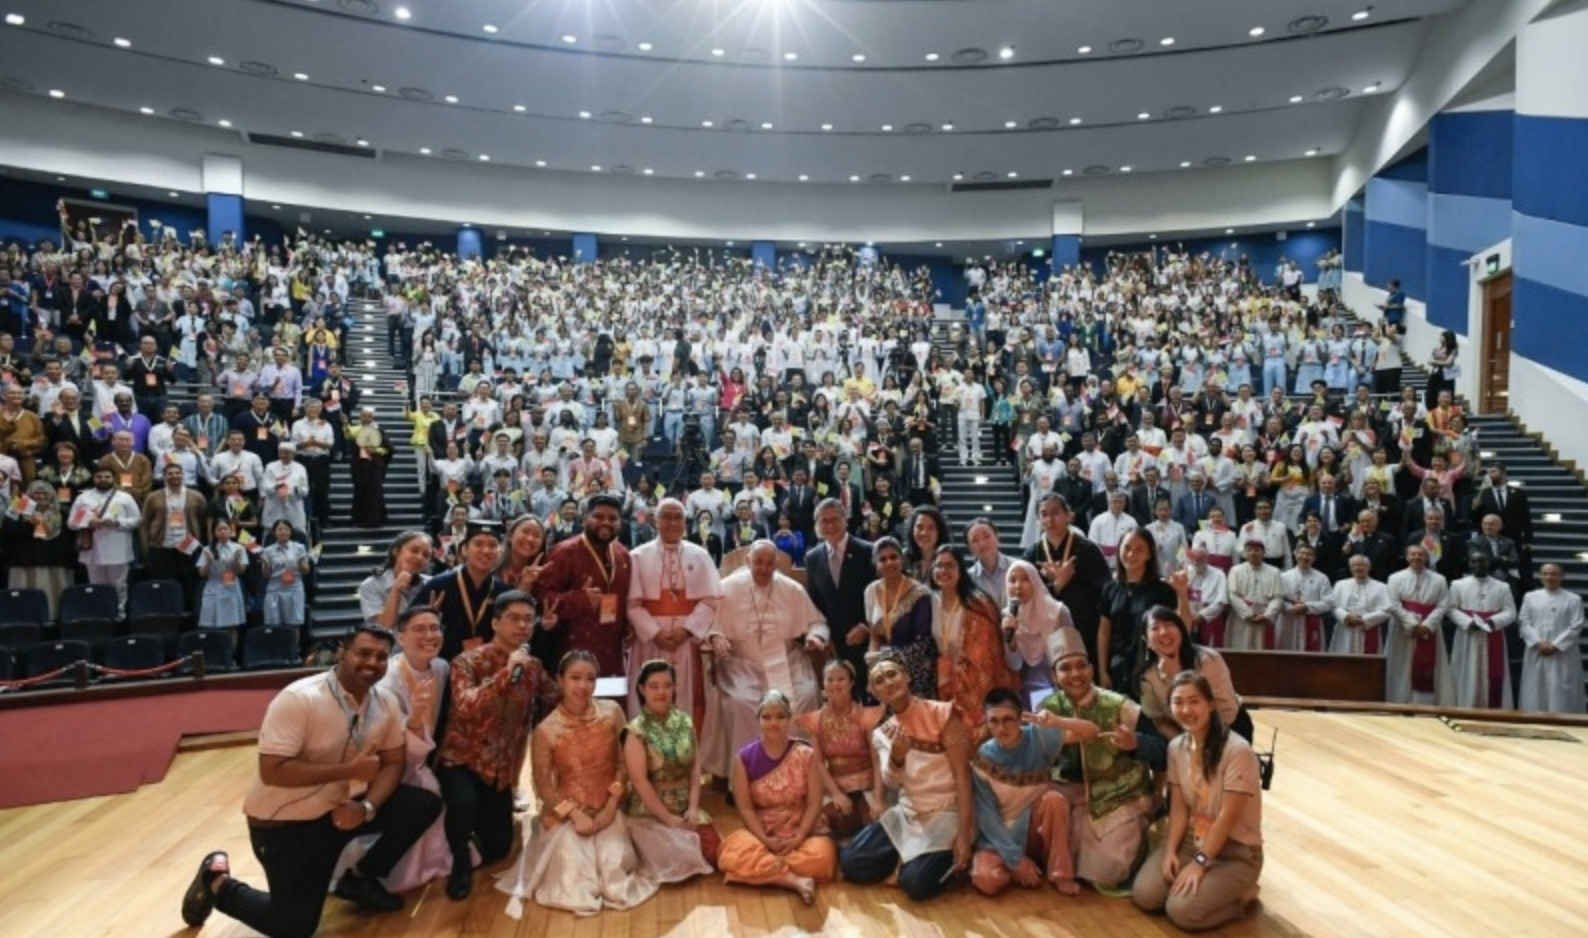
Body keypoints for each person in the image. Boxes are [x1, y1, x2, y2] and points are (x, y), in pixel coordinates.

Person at [179, 625, 443, 936]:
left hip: (342, 811)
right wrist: (348, 771)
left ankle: (361, 878)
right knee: (294, 926)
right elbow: (273, 770)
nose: (372, 662)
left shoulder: (384, 701)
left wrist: (367, 808)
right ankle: (217, 882)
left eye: (381, 657)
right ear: (342, 652)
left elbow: (394, 763)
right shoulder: (299, 698)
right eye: (363, 653)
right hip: (287, 824)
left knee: (423, 804)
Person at [498, 649, 659, 916]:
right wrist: (574, 815)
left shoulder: (612, 713)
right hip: (569, 813)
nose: (583, 686)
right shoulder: (546, 730)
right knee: (573, 878)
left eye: (590, 679)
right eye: (575, 678)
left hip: (608, 805)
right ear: (560, 680)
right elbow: (543, 786)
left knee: (613, 872)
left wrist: (610, 807)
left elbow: (624, 764)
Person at [1131, 672, 1264, 932]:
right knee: (1145, 895)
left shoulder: (1238, 751)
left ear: (1211, 705)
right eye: (1178, 702)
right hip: (1195, 839)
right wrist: (1170, 850)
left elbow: (1228, 817)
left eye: (1194, 701)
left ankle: (1241, 897)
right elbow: (1179, 808)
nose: (1186, 709)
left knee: (1182, 912)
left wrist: (1200, 864)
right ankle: (1207, 886)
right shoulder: (1176, 747)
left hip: (1235, 851)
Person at [1038, 626, 1166, 893]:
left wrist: (1136, 744)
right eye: (1066, 668)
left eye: (1081, 666)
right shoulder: (1046, 709)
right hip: (1071, 796)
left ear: (1092, 669)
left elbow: (1163, 751)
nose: (1075, 674)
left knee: (1106, 869)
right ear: (1054, 675)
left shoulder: (1119, 706)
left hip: (1120, 796)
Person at [435, 591, 546, 900]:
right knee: (464, 803)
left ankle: (468, 836)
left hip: (499, 769)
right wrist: (506, 673)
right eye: (514, 618)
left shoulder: (533, 667)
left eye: (529, 619)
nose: (523, 625)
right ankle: (458, 861)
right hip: (461, 759)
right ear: (496, 622)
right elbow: (467, 705)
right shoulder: (467, 661)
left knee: (499, 848)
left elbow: (554, 698)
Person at [838, 652, 975, 902]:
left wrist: (964, 836)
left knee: (916, 885)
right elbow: (892, 782)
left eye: (892, 674)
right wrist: (897, 757)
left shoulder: (942, 713)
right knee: (851, 862)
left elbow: (963, 776)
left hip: (947, 813)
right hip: (909, 813)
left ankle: (918, 863)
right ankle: (906, 859)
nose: (888, 682)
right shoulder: (883, 733)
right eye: (879, 681)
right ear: (874, 692)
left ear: (907, 677)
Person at [706, 540, 829, 776]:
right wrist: (715, 637)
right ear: (747, 561)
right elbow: (710, 623)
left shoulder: (792, 589)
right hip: (742, 664)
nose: (763, 569)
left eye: (769, 563)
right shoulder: (726, 588)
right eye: (758, 563)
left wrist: (815, 636)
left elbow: (817, 622)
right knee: (742, 702)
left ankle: (799, 772)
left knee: (804, 696)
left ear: (776, 564)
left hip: (789, 661)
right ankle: (747, 775)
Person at [968, 686, 1092, 897]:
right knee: (985, 879)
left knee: (1054, 799)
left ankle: (1059, 872)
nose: (1001, 728)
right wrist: (1015, 860)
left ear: (1020, 718)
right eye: (994, 721)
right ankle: (1025, 866)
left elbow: (1091, 731)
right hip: (1002, 834)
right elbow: (987, 815)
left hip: (1034, 826)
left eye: (1008, 719)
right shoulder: (984, 756)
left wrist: (1058, 722)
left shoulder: (1039, 738)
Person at [717, 689, 836, 905]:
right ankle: (793, 881)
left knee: (823, 857)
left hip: (802, 829)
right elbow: (745, 809)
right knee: (731, 852)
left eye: (781, 716)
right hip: (764, 831)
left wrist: (799, 837)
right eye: (767, 716)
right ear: (758, 720)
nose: (774, 722)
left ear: (790, 719)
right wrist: (765, 839)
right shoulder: (743, 758)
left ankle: (761, 870)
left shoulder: (806, 754)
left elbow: (814, 803)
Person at [364, 606, 453, 894]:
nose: (430, 635)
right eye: (419, 629)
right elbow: (384, 742)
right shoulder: (387, 679)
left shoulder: (440, 667)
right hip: (385, 765)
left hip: (420, 759)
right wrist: (414, 720)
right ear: (400, 638)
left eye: (435, 628)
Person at [626, 498, 722, 723]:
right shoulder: (637, 556)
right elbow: (632, 604)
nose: (672, 522)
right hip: (650, 641)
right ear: (655, 521)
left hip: (686, 642)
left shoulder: (700, 555)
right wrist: (654, 633)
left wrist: (687, 630)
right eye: (666, 517)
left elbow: (710, 600)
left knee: (686, 700)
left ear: (685, 521)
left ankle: (683, 752)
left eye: (678, 517)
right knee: (647, 699)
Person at [623, 660, 719, 883]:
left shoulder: (684, 720)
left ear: (675, 687)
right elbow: (639, 782)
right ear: (641, 689)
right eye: (654, 686)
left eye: (667, 685)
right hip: (650, 815)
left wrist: (693, 808)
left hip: (686, 808)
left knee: (717, 853)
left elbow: (695, 768)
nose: (661, 692)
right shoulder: (635, 730)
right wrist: (669, 820)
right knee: (681, 861)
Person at [533, 493, 633, 678]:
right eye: (599, 516)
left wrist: (629, 624)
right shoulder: (564, 552)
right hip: (572, 652)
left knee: (611, 706)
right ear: (585, 518)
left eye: (613, 518)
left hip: (612, 654)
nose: (606, 523)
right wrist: (579, 599)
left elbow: (627, 598)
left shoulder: (623, 555)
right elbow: (541, 599)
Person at [930, 545, 1018, 730]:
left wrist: (959, 676)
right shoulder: (928, 602)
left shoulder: (977, 604)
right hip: (937, 684)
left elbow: (986, 655)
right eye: (939, 566)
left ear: (961, 569)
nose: (943, 571)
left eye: (950, 566)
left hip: (974, 686)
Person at [795, 660, 885, 838]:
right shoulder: (815, 720)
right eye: (830, 679)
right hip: (835, 786)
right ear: (823, 684)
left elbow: (877, 760)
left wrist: (878, 798)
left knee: (877, 825)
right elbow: (819, 763)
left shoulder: (867, 716)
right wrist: (836, 793)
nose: (835, 684)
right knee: (815, 826)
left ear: (851, 683)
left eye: (841, 679)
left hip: (866, 786)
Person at [1139, 607, 1253, 742]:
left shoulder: (1208, 660)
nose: (1164, 632)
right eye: (1155, 628)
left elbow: (1225, 712)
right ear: (1146, 640)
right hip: (1183, 735)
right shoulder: (1147, 675)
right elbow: (1159, 720)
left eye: (1170, 625)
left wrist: (1174, 674)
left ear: (1181, 631)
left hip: (1228, 729)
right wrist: (1183, 745)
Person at [1022, 494, 1110, 666]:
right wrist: (1056, 585)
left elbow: (1103, 591)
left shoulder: (1087, 549)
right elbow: (1027, 597)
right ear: (1038, 519)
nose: (1049, 519)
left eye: (1055, 513)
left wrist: (1071, 583)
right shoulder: (1032, 554)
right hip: (1045, 631)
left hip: (1083, 627)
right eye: (1044, 514)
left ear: (1068, 516)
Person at [804, 497, 876, 698]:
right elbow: (815, 601)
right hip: (834, 645)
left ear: (845, 520)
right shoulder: (813, 558)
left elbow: (879, 597)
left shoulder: (867, 551)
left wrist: (865, 626)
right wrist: (822, 635)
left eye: (834, 519)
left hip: (868, 641)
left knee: (870, 698)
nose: (829, 525)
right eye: (823, 521)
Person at [1097, 529, 1180, 692]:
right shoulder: (1110, 588)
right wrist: (1102, 669)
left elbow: (1178, 630)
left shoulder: (1162, 590)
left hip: (1151, 668)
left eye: (1140, 549)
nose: (1131, 554)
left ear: (1150, 554)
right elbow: (1104, 632)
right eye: (1127, 548)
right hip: (1117, 667)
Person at [412, 520, 504, 660]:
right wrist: (427, 619)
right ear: (464, 549)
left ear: (500, 551)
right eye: (478, 544)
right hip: (441, 664)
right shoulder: (438, 585)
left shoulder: (504, 591)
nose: (486, 550)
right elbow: (409, 625)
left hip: (489, 666)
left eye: (492, 545)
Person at [864, 537, 938, 698]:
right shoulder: (870, 591)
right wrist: (873, 668)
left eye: (893, 557)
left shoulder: (920, 593)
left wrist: (885, 657)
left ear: (902, 560)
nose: (889, 562)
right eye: (882, 559)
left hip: (915, 673)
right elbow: (874, 636)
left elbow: (923, 645)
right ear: (876, 565)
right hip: (884, 673)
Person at [1385, 544, 1456, 706]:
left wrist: (1427, 625)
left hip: (1429, 628)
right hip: (1402, 629)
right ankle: (1398, 701)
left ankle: (1424, 703)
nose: (1417, 557)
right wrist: (1411, 624)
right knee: (1401, 666)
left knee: (1428, 665)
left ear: (1426, 558)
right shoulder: (1395, 578)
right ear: (1407, 557)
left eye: (1421, 555)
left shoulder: (1439, 579)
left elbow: (1443, 604)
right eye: (1413, 554)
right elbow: (1393, 604)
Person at [1447, 552, 1518, 710]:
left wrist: (1494, 621)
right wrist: (1467, 622)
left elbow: (1511, 612)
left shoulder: (1502, 586)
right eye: (1474, 562)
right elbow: (1451, 609)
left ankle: (1494, 710)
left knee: (1492, 675)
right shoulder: (1458, 584)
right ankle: (1465, 706)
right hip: (1468, 635)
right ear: (1469, 564)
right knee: (1466, 671)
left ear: (1489, 564)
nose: (1478, 565)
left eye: (1482, 562)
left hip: (1493, 634)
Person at [1001, 559, 1076, 703]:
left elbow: (1073, 654)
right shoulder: (1008, 616)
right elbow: (1013, 664)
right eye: (1012, 580)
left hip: (1056, 686)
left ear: (1035, 581)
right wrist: (1010, 641)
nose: (1017, 586)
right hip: (1020, 688)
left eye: (1025, 579)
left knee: (1046, 723)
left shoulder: (1058, 612)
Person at [68, 467, 141, 611]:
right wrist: (88, 523)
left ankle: (120, 612)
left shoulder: (125, 497)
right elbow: (71, 523)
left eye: (107, 477)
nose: (103, 479)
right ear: (94, 479)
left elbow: (137, 520)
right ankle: (100, 612)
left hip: (118, 548)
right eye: (99, 477)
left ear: (113, 479)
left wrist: (118, 522)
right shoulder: (83, 498)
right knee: (96, 585)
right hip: (92, 549)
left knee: (119, 584)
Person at [1517, 564, 1586, 713]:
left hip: (1562, 653)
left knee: (1562, 690)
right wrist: (1538, 642)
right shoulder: (1530, 597)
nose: (1549, 577)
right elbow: (1524, 621)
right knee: (1535, 688)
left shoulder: (1574, 599)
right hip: (1536, 650)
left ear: (1562, 577)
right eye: (1546, 574)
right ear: (1541, 576)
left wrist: (1555, 645)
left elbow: (1576, 625)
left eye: (1554, 574)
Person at [358, 530, 432, 631]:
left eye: (426, 555)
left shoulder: (430, 584)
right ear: (396, 551)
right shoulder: (371, 585)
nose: (420, 557)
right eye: (414, 550)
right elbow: (383, 628)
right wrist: (396, 589)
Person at [1225, 538, 1284, 651]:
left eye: (1257, 550)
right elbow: (1233, 595)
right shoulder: (1235, 570)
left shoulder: (1274, 572)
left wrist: (1267, 615)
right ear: (1245, 553)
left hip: (1264, 616)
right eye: (1249, 550)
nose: (1253, 553)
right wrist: (1248, 614)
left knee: (1263, 650)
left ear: (1263, 552)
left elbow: (1278, 597)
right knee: (1240, 648)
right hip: (1241, 617)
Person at [1330, 554, 1394, 656]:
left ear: (1368, 567)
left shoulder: (1381, 587)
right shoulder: (1340, 585)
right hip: (1345, 628)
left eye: (1361, 565)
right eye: (1354, 566)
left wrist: (1363, 619)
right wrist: (1346, 616)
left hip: (1368, 629)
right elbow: (1333, 606)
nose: (1357, 568)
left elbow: (1386, 610)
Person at [1275, 543, 1334, 652]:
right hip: (1288, 620)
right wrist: (1290, 609)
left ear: (1314, 558)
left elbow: (1329, 602)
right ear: (1295, 554)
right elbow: (1277, 598)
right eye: (1302, 553)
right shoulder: (1284, 576)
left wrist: (1307, 607)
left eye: (1309, 554)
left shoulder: (1321, 578)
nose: (1305, 557)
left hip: (1311, 619)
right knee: (1285, 652)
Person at [196, 519, 249, 630]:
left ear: (231, 531)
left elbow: (242, 571)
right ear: (215, 532)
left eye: (225, 528)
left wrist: (235, 561)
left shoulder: (239, 548)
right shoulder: (207, 549)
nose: (222, 531)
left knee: (232, 627)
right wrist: (209, 562)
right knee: (211, 626)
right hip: (213, 589)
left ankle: (231, 648)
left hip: (232, 589)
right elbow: (201, 574)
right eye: (219, 529)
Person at [260, 519, 310, 627]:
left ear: (290, 532)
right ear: (274, 532)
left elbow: (306, 570)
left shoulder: (299, 548)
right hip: (275, 588)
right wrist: (266, 564)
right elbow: (265, 575)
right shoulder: (267, 551)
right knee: (274, 624)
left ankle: (293, 644)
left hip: (294, 588)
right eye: (279, 529)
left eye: (286, 529)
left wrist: (301, 563)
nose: (283, 532)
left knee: (294, 624)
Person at [349, 407, 391, 528]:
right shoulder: (356, 430)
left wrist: (376, 450)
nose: (366, 418)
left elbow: (389, 449)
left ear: (372, 418)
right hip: (359, 467)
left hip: (374, 467)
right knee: (360, 492)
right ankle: (358, 519)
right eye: (363, 416)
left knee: (374, 494)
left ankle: (374, 520)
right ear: (360, 417)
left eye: (368, 416)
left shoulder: (379, 430)